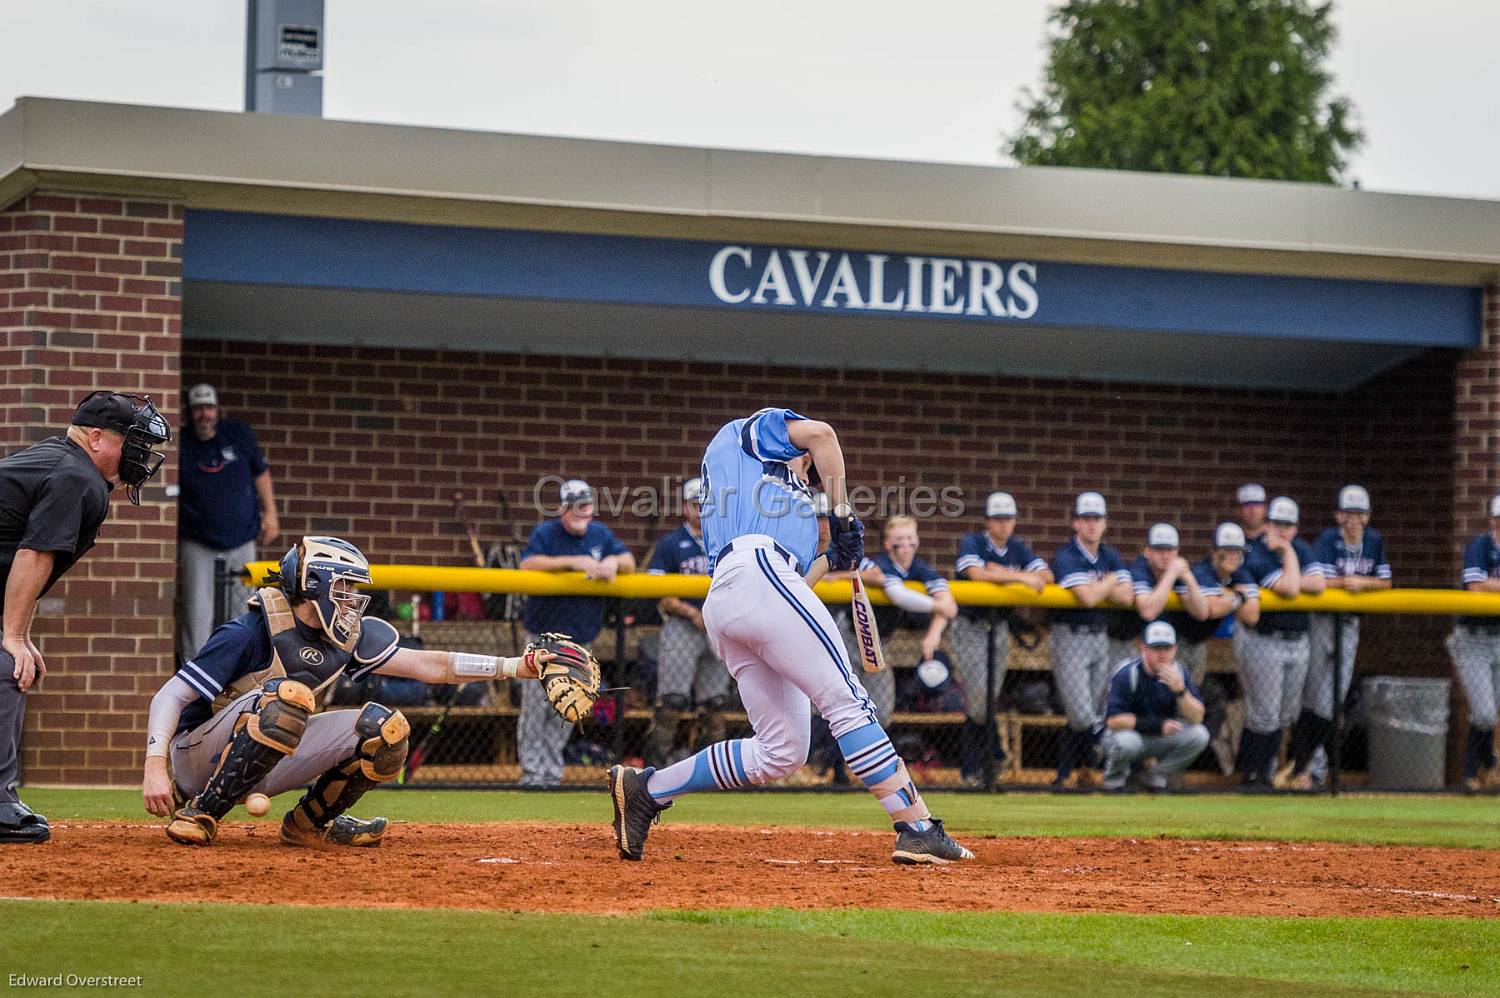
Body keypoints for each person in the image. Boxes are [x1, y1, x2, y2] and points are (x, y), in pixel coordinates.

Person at [607, 407, 972, 864]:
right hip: (753, 576)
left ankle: (647, 790)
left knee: (781, 751)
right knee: (849, 702)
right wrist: (843, 517)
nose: (816, 477)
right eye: (817, 474)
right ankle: (916, 826)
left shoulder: (781, 503)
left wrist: (833, 557)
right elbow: (823, 433)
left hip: (741, 598)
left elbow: (794, 590)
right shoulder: (748, 436)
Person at [143, 536, 558, 846]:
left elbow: (429, 665)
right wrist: (154, 766)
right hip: (195, 761)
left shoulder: (343, 636)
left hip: (264, 752)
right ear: (315, 586)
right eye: (343, 588)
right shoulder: (251, 630)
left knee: (386, 729)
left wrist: (512, 667)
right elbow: (170, 697)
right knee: (288, 698)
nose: (353, 599)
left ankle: (307, 825)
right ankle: (201, 813)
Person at [0, 391, 171, 844]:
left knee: (14, 663)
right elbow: (33, 553)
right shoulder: (76, 475)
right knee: (6, 669)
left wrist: (19, 632)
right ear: (95, 437)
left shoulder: (66, 465)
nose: (140, 456)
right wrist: (12, 636)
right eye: (131, 442)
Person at [517, 479, 634, 786]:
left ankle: (551, 773)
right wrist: (574, 562)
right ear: (563, 508)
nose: (582, 513)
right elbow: (528, 564)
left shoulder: (600, 535)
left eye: (586, 507)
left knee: (568, 705)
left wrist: (609, 561)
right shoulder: (547, 533)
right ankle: (532, 774)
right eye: (576, 507)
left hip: (581, 639)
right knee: (535, 708)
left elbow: (628, 561)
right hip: (543, 638)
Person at [1276, 485, 1391, 790]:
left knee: (1331, 703)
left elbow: (1386, 582)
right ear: (1338, 515)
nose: (1353, 520)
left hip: (1350, 626)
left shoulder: (1374, 540)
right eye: (1348, 513)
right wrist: (1344, 582)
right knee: (1312, 698)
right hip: (1322, 622)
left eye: (1359, 514)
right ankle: (1306, 769)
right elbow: (1317, 580)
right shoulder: (1328, 539)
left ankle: (1302, 765)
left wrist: (1363, 583)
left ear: (1367, 517)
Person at [951, 491, 1052, 785]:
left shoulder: (1018, 548)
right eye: (998, 518)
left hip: (999, 631)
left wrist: (999, 570)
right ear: (987, 521)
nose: (1003, 524)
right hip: (970, 627)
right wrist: (1018, 577)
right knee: (979, 701)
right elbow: (974, 573)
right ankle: (986, 758)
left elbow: (1046, 576)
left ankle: (977, 768)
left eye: (1008, 518)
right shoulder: (974, 542)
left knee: (985, 702)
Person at [177, 384, 280, 660]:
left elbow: (261, 473)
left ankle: (237, 670)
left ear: (217, 409)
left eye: (208, 408)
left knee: (243, 610)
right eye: (198, 409)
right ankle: (194, 676)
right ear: (189, 412)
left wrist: (270, 513)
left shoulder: (238, 434)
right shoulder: (182, 442)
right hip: (197, 539)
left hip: (241, 538)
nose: (204, 415)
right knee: (197, 613)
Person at [1235, 496, 1324, 786]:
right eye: (1277, 524)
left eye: (1288, 525)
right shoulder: (1256, 553)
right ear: (1267, 524)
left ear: (1296, 527)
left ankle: (1269, 772)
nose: (1282, 530)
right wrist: (1288, 557)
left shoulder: (1298, 547)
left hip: (1298, 641)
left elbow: (1318, 583)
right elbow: (1289, 588)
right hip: (1266, 640)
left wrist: (1288, 553)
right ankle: (1254, 775)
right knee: (1265, 714)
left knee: (1286, 713)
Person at [644, 477, 731, 769]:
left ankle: (711, 770)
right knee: (672, 701)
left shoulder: (725, 541)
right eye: (696, 505)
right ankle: (656, 768)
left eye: (707, 505)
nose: (702, 510)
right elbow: (659, 592)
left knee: (715, 704)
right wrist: (693, 613)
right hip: (684, 625)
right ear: (685, 507)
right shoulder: (671, 543)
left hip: (718, 626)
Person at [1048, 491, 1133, 788]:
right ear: (1075, 523)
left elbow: (1128, 595)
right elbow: (1087, 597)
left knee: (1094, 711)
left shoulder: (1110, 555)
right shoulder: (1067, 555)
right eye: (1085, 519)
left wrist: (1101, 585)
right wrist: (1111, 580)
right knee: (1082, 713)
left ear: (1105, 523)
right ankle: (1081, 768)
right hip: (1070, 637)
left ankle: (1070, 772)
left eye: (1096, 518)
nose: (1091, 524)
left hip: (1101, 638)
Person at [852, 516, 957, 725]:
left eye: (910, 537)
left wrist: (933, 634)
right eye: (899, 538)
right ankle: (828, 756)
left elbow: (949, 602)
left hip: (879, 641)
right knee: (848, 702)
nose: (906, 544)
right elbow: (899, 595)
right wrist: (938, 607)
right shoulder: (880, 564)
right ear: (888, 544)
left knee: (880, 711)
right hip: (851, 634)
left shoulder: (919, 568)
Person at [1100, 621, 1209, 791]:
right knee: (1127, 743)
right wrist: (1157, 725)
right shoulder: (1127, 673)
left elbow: (1197, 717)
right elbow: (1113, 721)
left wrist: (1180, 691)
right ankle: (1114, 782)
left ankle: (1155, 775)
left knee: (1199, 735)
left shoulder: (1179, 672)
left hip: (1160, 737)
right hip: (1128, 735)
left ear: (1175, 649)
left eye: (1167, 648)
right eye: (1156, 648)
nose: (1162, 654)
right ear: (1143, 647)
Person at [1448, 494, 1500, 792]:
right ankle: (1487, 763)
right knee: (1483, 712)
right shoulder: (1480, 546)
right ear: (1493, 521)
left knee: (1489, 712)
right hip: (1473, 638)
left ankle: (1473, 772)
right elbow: (1476, 586)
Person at [1127, 522, 1212, 681]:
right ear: (1147, 551)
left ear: (1177, 552)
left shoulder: (1178, 571)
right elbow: (1148, 611)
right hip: (1138, 644)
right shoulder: (1140, 568)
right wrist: (1171, 574)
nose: (1165, 555)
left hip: (1171, 646)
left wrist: (1189, 578)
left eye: (1169, 550)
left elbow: (1202, 612)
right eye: (1159, 549)